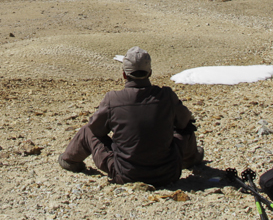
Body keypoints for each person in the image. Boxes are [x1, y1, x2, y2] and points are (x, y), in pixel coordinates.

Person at [58, 47, 203, 186]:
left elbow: (96, 130)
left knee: (87, 131)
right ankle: (191, 159)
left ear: (124, 74)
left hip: (126, 174)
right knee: (187, 128)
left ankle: (70, 160)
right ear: (150, 72)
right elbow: (184, 122)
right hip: (168, 173)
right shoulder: (166, 96)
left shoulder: (113, 99)